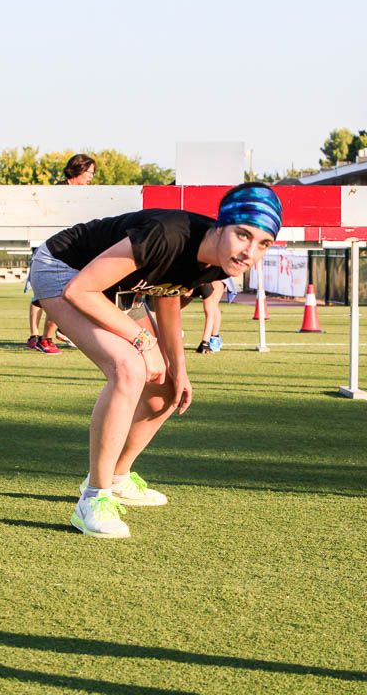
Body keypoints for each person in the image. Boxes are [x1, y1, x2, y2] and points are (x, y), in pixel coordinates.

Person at [29, 182, 283, 538]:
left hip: (100, 287)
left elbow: (167, 296)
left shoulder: (219, 264)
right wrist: (142, 340)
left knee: (167, 386)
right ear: (220, 225)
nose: (249, 252)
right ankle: (93, 499)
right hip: (61, 269)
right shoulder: (168, 234)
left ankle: (117, 477)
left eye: (263, 244)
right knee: (129, 366)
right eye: (243, 235)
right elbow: (79, 290)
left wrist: (180, 371)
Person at [25, 154, 97, 354]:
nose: (91, 177)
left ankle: (51, 334)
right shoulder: (57, 191)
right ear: (77, 169)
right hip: (47, 245)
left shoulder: (86, 196)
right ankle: (37, 336)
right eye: (89, 172)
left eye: (93, 173)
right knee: (42, 294)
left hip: (69, 248)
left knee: (59, 292)